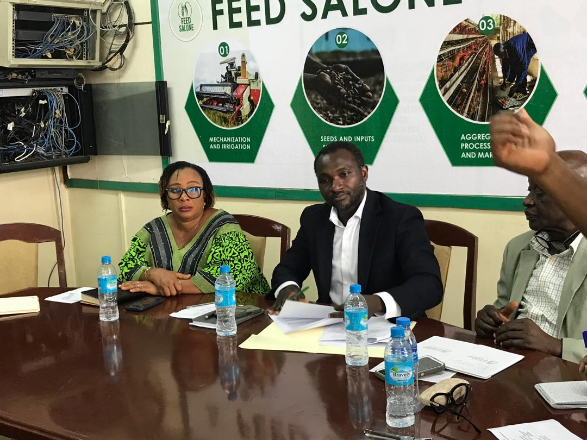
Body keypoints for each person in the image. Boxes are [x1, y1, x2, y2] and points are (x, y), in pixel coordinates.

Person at [269, 142, 443, 319]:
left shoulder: (400, 218)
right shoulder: (314, 218)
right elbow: (288, 268)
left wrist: (378, 302)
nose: (335, 186)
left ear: (364, 173)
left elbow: (429, 283)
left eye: (344, 174)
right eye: (325, 180)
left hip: (387, 326)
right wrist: (288, 288)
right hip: (329, 324)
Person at [475, 110, 587, 363]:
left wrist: (558, 346)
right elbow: (505, 309)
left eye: (542, 193)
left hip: (568, 373)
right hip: (514, 365)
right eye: (530, 190)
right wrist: (491, 321)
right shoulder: (519, 247)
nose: (527, 201)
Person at [118, 161, 269, 296]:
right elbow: (126, 269)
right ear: (166, 197)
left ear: (205, 195)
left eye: (193, 189)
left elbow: (234, 275)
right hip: (172, 311)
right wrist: (152, 273)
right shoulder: (154, 229)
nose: (184, 197)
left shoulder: (224, 226)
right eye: (175, 190)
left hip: (236, 308)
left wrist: (163, 288)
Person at [493, 32, 536, 99]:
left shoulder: (515, 49)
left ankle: (522, 92)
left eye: (501, 55)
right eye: (499, 56)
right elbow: (505, 66)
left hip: (530, 44)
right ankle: (511, 80)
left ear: (504, 50)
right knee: (513, 62)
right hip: (521, 44)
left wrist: (516, 85)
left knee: (521, 65)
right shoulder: (503, 51)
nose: (500, 57)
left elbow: (523, 67)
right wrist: (504, 81)